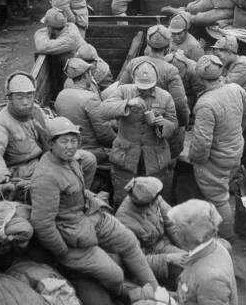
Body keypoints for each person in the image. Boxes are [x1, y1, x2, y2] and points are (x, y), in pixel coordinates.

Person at [30, 117, 157, 296]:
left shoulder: (71, 159)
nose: (70, 146)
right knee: (115, 275)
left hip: (89, 216)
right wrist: (62, 251)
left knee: (129, 241)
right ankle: (129, 296)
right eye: (64, 141)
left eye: (74, 140)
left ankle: (157, 291)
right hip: (71, 235)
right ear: (51, 144)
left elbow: (80, 185)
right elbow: (42, 224)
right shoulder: (46, 177)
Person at [0, 72, 96, 186]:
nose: (25, 102)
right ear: (10, 98)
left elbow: (49, 128)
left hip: (45, 157)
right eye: (19, 97)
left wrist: (68, 132)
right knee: (60, 174)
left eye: (29, 96)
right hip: (24, 169)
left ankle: (81, 192)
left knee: (88, 159)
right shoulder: (2, 122)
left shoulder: (35, 111)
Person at [188, 55, 246, 239]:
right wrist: (234, 134)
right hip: (235, 151)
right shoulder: (236, 89)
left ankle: (227, 239)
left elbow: (202, 145)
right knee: (223, 189)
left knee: (218, 199)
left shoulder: (205, 104)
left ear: (200, 78)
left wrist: (196, 161)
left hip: (216, 160)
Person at [101, 61, 178, 206]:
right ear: (134, 81)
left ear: (156, 82)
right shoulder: (124, 91)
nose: (145, 91)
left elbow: (173, 125)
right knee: (123, 199)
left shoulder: (165, 96)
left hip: (154, 161)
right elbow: (103, 110)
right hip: (126, 159)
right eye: (142, 87)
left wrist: (161, 124)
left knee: (154, 200)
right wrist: (128, 103)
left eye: (149, 87)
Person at [119, 25, 189, 147]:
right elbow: (179, 103)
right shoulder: (170, 70)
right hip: (158, 126)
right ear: (168, 47)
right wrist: (182, 123)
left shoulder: (134, 63)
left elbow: (121, 91)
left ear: (148, 45)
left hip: (132, 124)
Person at [116, 177, 187, 283]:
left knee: (192, 261)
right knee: (181, 270)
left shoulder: (154, 198)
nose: (159, 199)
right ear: (148, 203)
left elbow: (172, 224)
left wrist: (188, 248)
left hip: (164, 245)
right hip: (149, 259)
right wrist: (168, 258)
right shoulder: (123, 221)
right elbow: (136, 261)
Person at [168, 200, 238, 305]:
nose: (175, 232)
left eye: (178, 228)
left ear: (189, 236)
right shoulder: (216, 247)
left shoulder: (211, 279)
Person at [54, 58, 115, 163]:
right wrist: (117, 141)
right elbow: (104, 135)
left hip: (69, 147)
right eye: (90, 74)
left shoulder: (61, 95)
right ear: (86, 75)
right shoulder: (90, 98)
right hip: (90, 151)